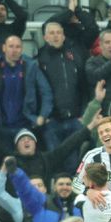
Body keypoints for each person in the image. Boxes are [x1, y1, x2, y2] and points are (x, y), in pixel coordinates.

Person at [36, 21, 87, 170]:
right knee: (55, 163)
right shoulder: (39, 59)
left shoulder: (74, 57)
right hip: (52, 121)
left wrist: (83, 113)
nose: (56, 36)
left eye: (58, 32)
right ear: (45, 37)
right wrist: (43, 115)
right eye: (52, 33)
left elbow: (84, 87)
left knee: (74, 164)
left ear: (64, 36)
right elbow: (36, 91)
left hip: (75, 119)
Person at [0, 35, 54, 148]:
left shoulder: (31, 66)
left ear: (22, 49)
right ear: (4, 48)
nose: (14, 50)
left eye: (18, 47)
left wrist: (43, 115)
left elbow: (46, 92)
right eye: (11, 46)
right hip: (0, 126)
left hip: (25, 126)